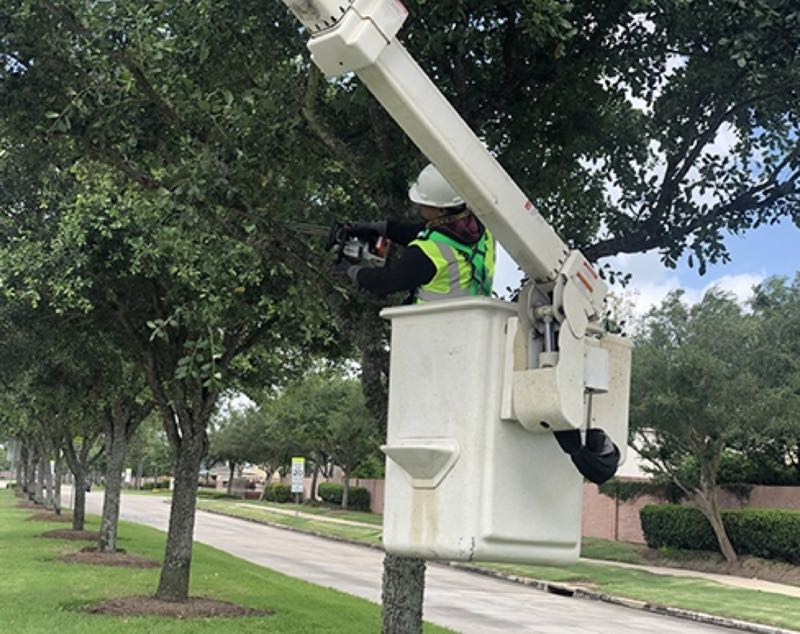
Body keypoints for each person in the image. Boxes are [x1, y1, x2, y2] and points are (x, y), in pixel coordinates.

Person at [339, 164, 496, 303]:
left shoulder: (427, 254)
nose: (419, 206)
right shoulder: (482, 226)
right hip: (472, 317)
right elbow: (427, 233)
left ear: (441, 210)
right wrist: (381, 228)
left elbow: (386, 282)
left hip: (435, 326)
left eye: (424, 204)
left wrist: (350, 270)